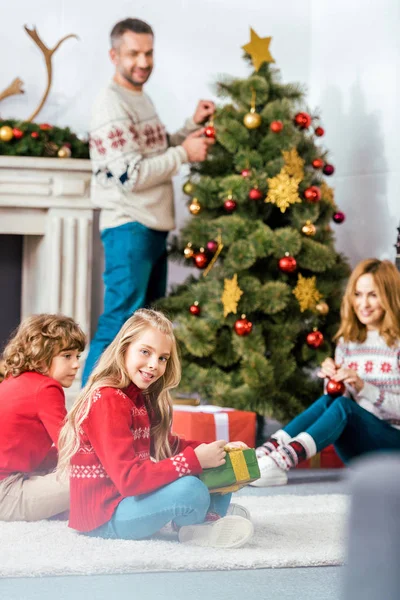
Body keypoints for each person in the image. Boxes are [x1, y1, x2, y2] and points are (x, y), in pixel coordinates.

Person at [82, 18, 215, 385]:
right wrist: (185, 154)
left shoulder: (139, 97)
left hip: (151, 226)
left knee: (144, 329)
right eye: (133, 53)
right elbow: (131, 174)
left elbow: (153, 149)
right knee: (120, 322)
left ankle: (127, 415)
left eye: (148, 52)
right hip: (129, 225)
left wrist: (189, 126)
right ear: (114, 55)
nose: (143, 61)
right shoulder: (110, 103)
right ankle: (85, 415)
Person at [58, 309, 254, 548]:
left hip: (128, 501)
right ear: (124, 349)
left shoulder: (136, 397)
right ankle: (205, 521)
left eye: (162, 358)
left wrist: (218, 450)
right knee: (191, 487)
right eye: (145, 352)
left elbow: (167, 446)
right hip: (105, 517)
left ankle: (207, 520)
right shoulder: (107, 400)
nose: (154, 364)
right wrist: (194, 461)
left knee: (224, 465)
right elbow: (129, 480)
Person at [251, 258, 400, 487]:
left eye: (373, 295)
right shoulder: (347, 343)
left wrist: (363, 387)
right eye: (358, 295)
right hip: (360, 451)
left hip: (393, 448)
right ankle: (267, 451)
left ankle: (282, 460)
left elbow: (352, 409)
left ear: (390, 297)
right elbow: (339, 407)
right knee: (332, 400)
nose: (364, 303)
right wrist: (334, 381)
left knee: (342, 407)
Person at [0, 314, 86, 520]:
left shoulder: (14, 380)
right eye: (67, 356)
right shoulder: (46, 388)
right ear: (40, 356)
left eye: (77, 356)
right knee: (99, 473)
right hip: (7, 493)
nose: (76, 364)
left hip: (11, 479)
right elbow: (73, 449)